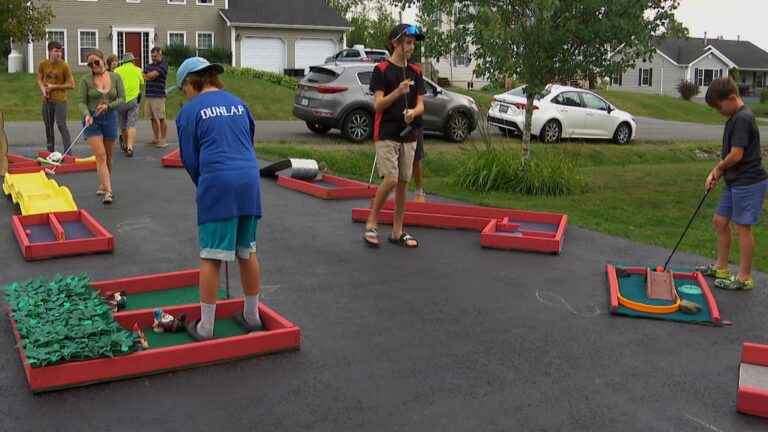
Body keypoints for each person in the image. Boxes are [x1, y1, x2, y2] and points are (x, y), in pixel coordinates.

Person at [170, 57, 264, 341]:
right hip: (249, 180)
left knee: (211, 255)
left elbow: (190, 158)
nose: (184, 94)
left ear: (190, 81)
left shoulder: (189, 112)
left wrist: (205, 185)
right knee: (246, 249)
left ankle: (206, 327)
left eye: (183, 88)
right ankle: (252, 316)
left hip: (219, 181)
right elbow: (248, 138)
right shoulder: (239, 102)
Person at [697, 77, 768, 290]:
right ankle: (721, 266)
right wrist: (717, 174)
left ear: (733, 98)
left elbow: (736, 155)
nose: (719, 111)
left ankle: (744, 276)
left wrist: (717, 170)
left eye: (720, 107)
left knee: (741, 227)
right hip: (735, 180)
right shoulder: (734, 118)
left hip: (749, 181)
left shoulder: (743, 119)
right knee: (720, 221)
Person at [364, 24, 425, 248]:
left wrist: (413, 112)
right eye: (408, 43)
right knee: (390, 178)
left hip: (408, 135)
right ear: (395, 43)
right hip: (387, 133)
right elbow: (378, 104)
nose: (412, 47)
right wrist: (398, 92)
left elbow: (421, 105)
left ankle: (397, 232)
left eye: (413, 44)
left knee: (402, 183)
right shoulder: (381, 70)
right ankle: (372, 221)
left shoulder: (416, 72)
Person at [78, 49, 125, 204]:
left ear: (102, 60)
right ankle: (109, 191)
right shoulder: (85, 80)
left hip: (110, 117)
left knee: (109, 155)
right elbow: (81, 101)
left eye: (96, 62)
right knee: (101, 155)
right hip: (93, 120)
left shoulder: (116, 77)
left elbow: (122, 98)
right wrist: (86, 114)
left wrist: (109, 106)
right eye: (90, 64)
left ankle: (104, 184)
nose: (93, 66)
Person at [37, 41, 75, 154]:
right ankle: (50, 151)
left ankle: (68, 152)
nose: (59, 53)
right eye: (56, 51)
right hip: (47, 100)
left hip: (60, 100)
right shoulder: (43, 64)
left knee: (61, 124)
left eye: (60, 51)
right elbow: (39, 79)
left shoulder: (64, 66)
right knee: (48, 126)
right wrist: (43, 89)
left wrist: (54, 87)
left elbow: (72, 85)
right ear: (50, 51)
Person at [114, 52, 145, 157]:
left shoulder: (117, 71)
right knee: (131, 124)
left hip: (120, 100)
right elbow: (142, 83)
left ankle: (126, 144)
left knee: (123, 125)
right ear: (132, 61)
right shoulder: (138, 70)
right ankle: (130, 147)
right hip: (133, 100)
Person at [143, 47, 169, 148]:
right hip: (149, 95)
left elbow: (151, 76)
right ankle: (155, 139)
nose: (153, 58)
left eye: (155, 56)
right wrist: (147, 76)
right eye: (152, 56)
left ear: (160, 55)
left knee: (161, 118)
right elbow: (144, 76)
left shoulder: (163, 66)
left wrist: (148, 76)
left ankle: (163, 140)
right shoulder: (149, 66)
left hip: (159, 96)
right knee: (152, 118)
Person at [412, 125, 427, 202]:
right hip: (396, 123)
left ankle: (419, 191)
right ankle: (394, 192)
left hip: (414, 123)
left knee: (416, 158)